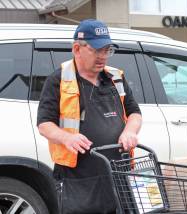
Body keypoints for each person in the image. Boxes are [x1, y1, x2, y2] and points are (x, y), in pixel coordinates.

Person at [37, 19, 142, 214]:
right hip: (79, 178)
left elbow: (134, 113)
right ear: (77, 49)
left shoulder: (116, 77)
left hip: (118, 173)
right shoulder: (58, 80)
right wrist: (67, 137)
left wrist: (130, 132)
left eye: (107, 50)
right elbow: (44, 124)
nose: (103, 56)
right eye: (97, 50)